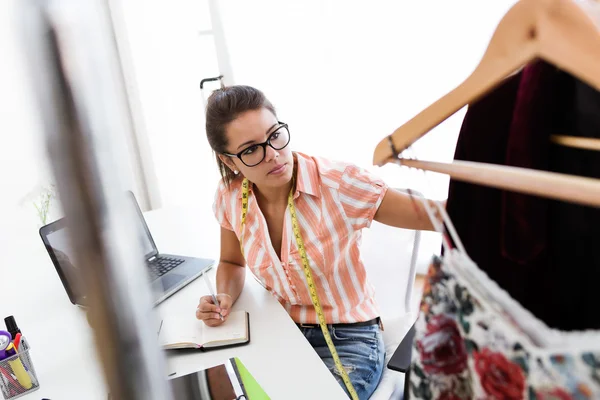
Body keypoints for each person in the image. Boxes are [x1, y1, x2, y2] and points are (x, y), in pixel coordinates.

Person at [196, 85, 438, 399]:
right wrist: (224, 297)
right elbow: (230, 262)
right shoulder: (231, 196)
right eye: (251, 150)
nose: (273, 154)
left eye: (275, 135)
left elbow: (428, 215)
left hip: (350, 337)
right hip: (281, 330)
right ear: (230, 162)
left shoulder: (337, 183)